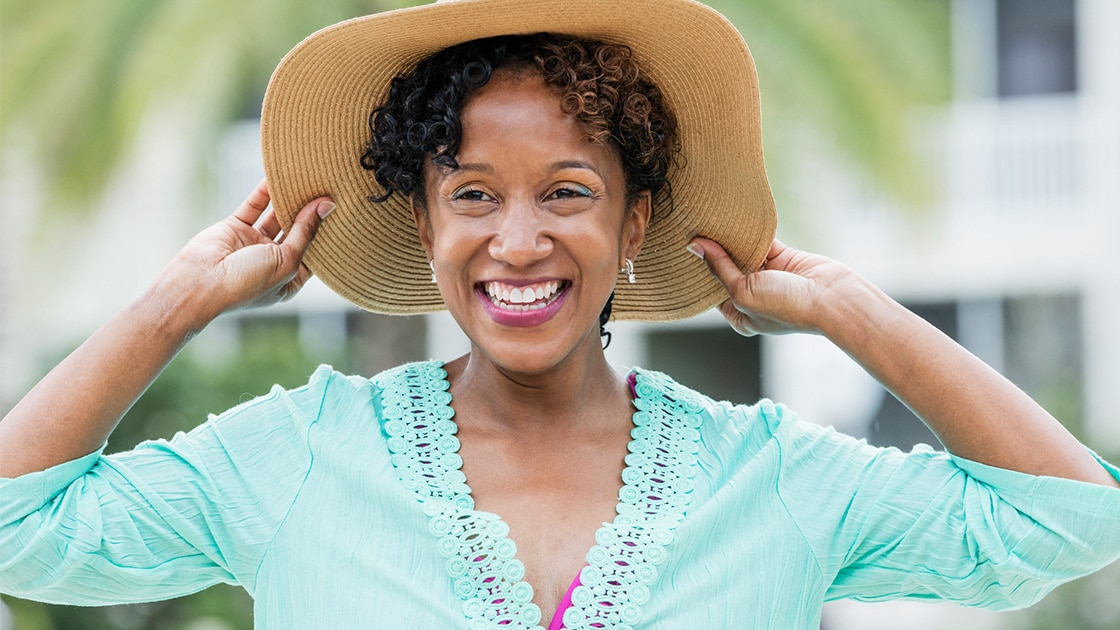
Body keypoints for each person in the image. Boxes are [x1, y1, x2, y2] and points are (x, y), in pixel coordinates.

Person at [2, 0, 1118, 627]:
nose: (519, 240)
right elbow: (17, 530)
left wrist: (851, 311)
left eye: (569, 193)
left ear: (635, 228)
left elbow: (1072, 520)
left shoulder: (769, 476)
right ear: (427, 230)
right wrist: (174, 303)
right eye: (472, 194)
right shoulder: (299, 455)